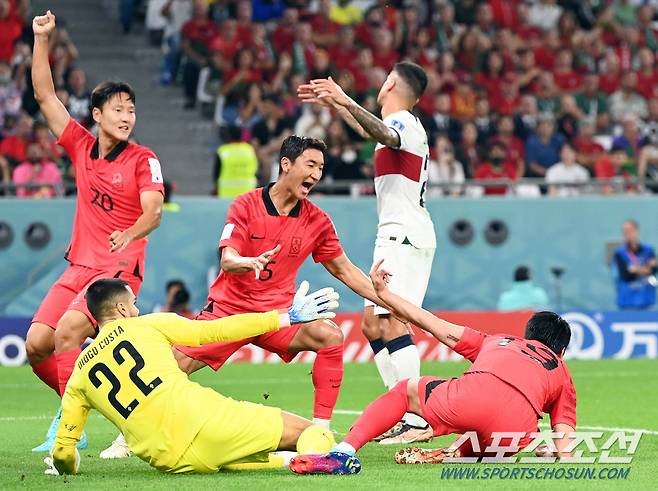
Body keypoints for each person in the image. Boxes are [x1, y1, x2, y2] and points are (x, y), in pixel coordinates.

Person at [90, 135, 391, 459]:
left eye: (320, 167)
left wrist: (386, 299)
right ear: (286, 165)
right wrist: (246, 262)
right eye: (311, 165)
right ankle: (127, 437)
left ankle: (322, 434)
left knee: (331, 337)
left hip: (280, 316)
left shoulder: (317, 221)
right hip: (229, 313)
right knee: (173, 365)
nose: (317, 174)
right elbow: (227, 258)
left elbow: (345, 270)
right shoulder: (246, 204)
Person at [25, 10, 165, 452]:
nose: (127, 116)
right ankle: (78, 410)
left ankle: (68, 428)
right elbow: (44, 94)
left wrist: (131, 232)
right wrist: (42, 39)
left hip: (119, 270)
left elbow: (155, 210)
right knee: (36, 345)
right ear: (98, 114)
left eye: (132, 110)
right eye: (119, 109)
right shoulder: (81, 145)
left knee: (69, 333)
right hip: (80, 264)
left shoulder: (143, 159)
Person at [290, 260, 576, 474]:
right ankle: (452, 453)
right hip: (513, 436)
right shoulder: (562, 373)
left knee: (406, 390)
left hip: (467, 402)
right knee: (506, 432)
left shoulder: (499, 342)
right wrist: (558, 452)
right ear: (561, 351)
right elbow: (566, 441)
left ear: (528, 335)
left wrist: (385, 295)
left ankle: (343, 452)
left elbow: (429, 321)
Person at [44, 277, 341, 475]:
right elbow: (216, 330)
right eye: (133, 302)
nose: (137, 307)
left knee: (225, 458)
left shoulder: (79, 376)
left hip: (171, 461)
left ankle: (284, 461)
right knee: (315, 434)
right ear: (121, 308)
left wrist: (68, 466)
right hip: (210, 423)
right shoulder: (149, 325)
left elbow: (63, 453)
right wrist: (284, 316)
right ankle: (306, 460)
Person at [298, 62, 436, 444]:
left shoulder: (405, 122)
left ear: (391, 83)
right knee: (373, 326)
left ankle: (418, 417)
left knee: (392, 321)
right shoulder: (399, 126)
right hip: (394, 234)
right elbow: (371, 130)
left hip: (404, 235)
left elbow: (384, 132)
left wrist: (343, 97)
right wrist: (338, 105)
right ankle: (401, 410)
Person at [612, 220, 657, 310]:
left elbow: (653, 270)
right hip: (627, 302)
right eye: (625, 232)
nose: (627, 234)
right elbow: (626, 276)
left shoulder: (648, 250)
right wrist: (645, 268)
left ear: (637, 231)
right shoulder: (619, 253)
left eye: (630, 231)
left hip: (646, 301)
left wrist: (635, 269)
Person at [213, 125, 258, 198]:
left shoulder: (223, 151)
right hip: (248, 194)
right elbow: (255, 170)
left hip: (226, 194)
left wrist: (216, 188)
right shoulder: (249, 150)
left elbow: (216, 174)